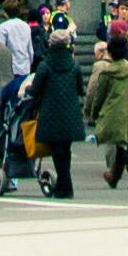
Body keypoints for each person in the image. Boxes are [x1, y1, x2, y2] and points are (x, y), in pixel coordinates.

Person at [88, 28, 128, 189]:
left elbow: (99, 96)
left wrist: (93, 114)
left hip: (113, 114)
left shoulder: (107, 72)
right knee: (122, 144)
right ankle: (113, 177)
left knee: (122, 146)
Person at [31, 13, 84, 199]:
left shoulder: (45, 65)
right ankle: (64, 183)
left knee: (56, 150)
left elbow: (35, 89)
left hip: (51, 113)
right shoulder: (75, 65)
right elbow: (80, 89)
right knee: (66, 150)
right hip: (70, 112)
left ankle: (64, 184)